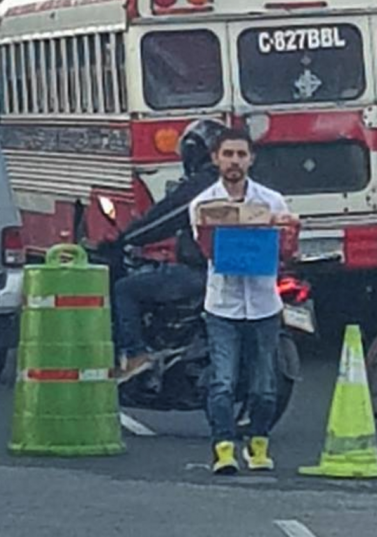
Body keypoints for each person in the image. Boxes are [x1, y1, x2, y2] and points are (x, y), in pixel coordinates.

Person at [189, 128, 293, 475]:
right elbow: (207, 249)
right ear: (216, 159)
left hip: (264, 304)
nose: (235, 161)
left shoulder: (273, 201)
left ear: (251, 159)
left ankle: (258, 443)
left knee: (265, 386)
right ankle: (223, 448)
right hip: (222, 305)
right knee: (223, 381)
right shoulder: (202, 205)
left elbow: (286, 247)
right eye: (228, 154)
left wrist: (284, 228)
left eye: (241, 154)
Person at [112, 120, 227, 381]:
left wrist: (128, 237)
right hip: (245, 272)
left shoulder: (203, 185)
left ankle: (135, 355)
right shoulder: (250, 186)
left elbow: (163, 219)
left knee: (125, 290)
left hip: (203, 272)